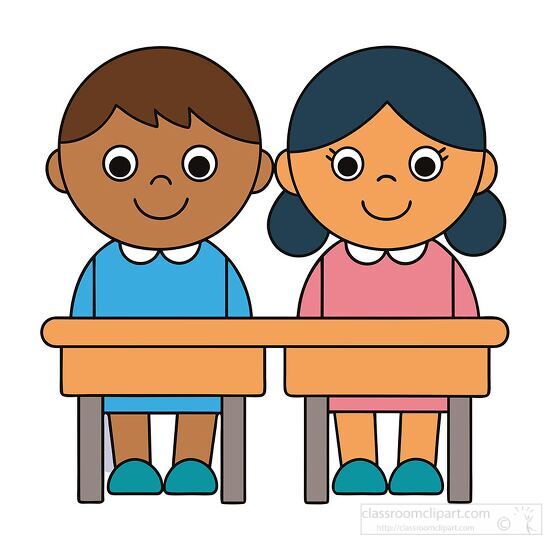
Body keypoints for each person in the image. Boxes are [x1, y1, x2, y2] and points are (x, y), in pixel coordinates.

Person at [268, 46, 505, 495]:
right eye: (348, 165)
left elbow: (468, 325)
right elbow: (307, 327)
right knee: (350, 402)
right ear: (293, 174)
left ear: (479, 174)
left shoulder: (444, 268)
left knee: (423, 403)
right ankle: (356, 460)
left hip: (428, 374)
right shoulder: (331, 268)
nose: (386, 184)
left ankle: (418, 460)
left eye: (424, 165)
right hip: (346, 375)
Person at [46, 47, 272, 495]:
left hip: (206, 376)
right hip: (121, 375)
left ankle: (193, 460)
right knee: (124, 402)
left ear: (255, 174)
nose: (161, 184)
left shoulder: (218, 269)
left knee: (202, 403)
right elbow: (77, 328)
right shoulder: (103, 269)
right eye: (121, 165)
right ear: (63, 173)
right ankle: (131, 460)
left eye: (198, 166)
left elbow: (243, 327)